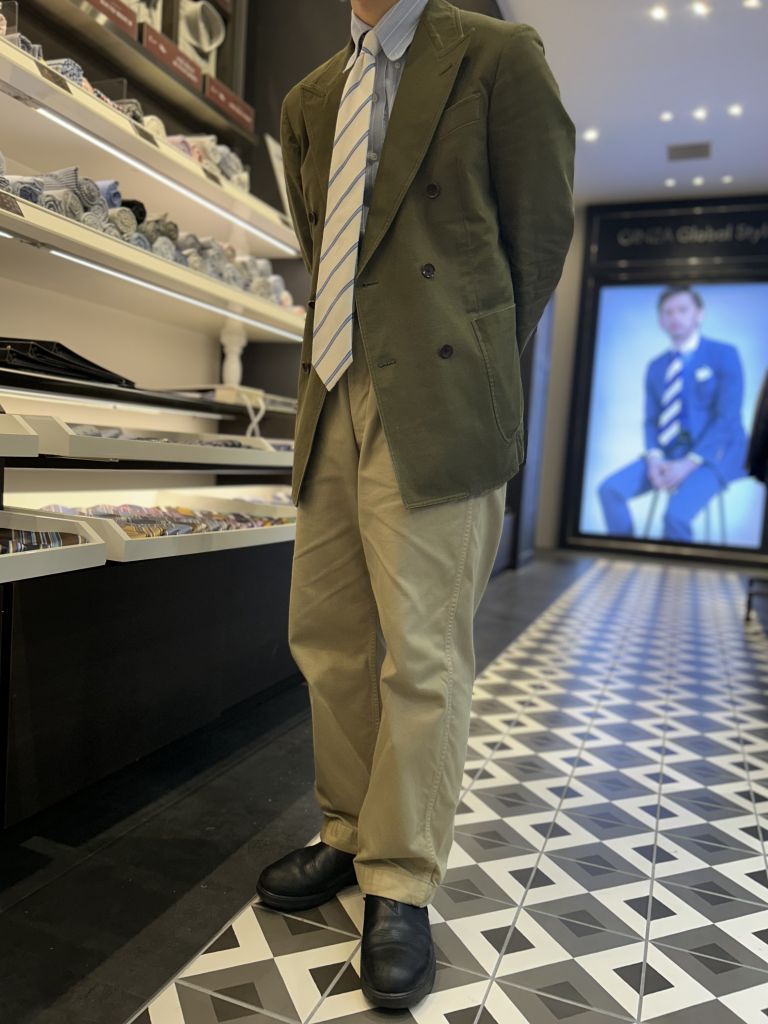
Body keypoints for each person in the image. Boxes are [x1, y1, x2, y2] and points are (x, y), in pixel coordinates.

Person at [257, 0, 575, 1008]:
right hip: (332, 389)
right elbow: (324, 248)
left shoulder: (495, 55)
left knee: (422, 652)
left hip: (437, 396)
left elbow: (538, 239)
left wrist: (470, 367)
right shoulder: (311, 98)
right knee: (328, 638)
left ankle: (399, 879)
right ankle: (349, 831)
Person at [598, 285, 749, 543]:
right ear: (660, 320)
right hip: (669, 454)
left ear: (699, 314)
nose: (675, 317)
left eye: (682, 310)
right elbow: (651, 420)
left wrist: (689, 463)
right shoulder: (656, 366)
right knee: (610, 490)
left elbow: (727, 418)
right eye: (668, 312)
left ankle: (677, 570)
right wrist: (654, 458)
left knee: (675, 517)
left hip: (715, 454)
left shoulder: (724, 354)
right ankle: (622, 555)